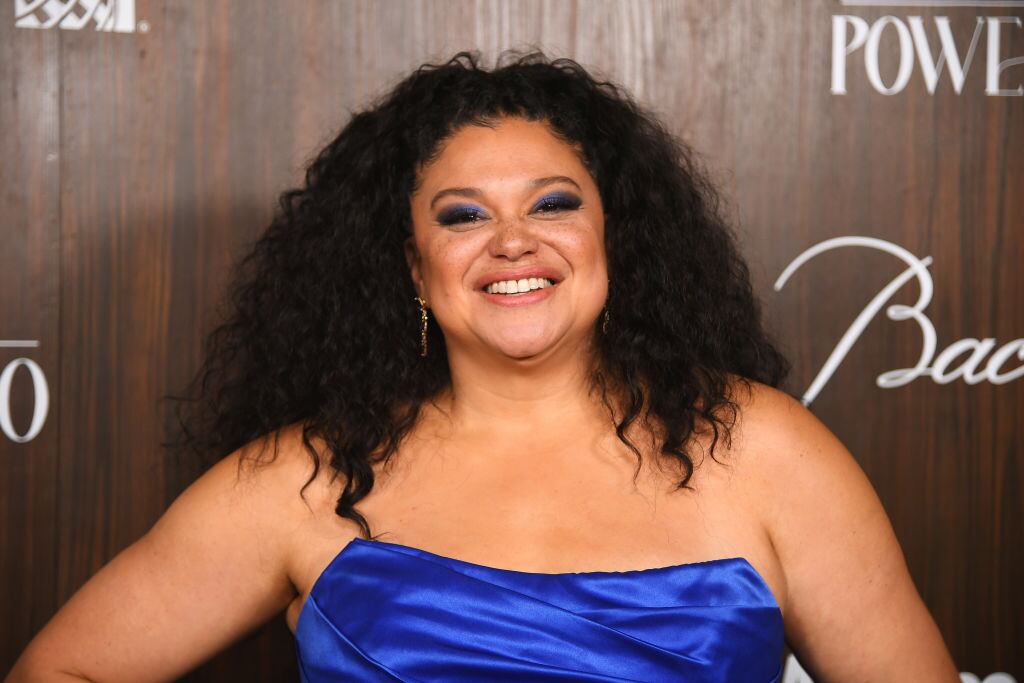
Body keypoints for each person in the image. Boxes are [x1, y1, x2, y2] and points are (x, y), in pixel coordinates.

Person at [8, 50, 958, 682]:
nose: (512, 241)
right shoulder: (307, 477)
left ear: (614, 238)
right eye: (463, 216)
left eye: (553, 204)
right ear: (413, 267)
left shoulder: (767, 452)